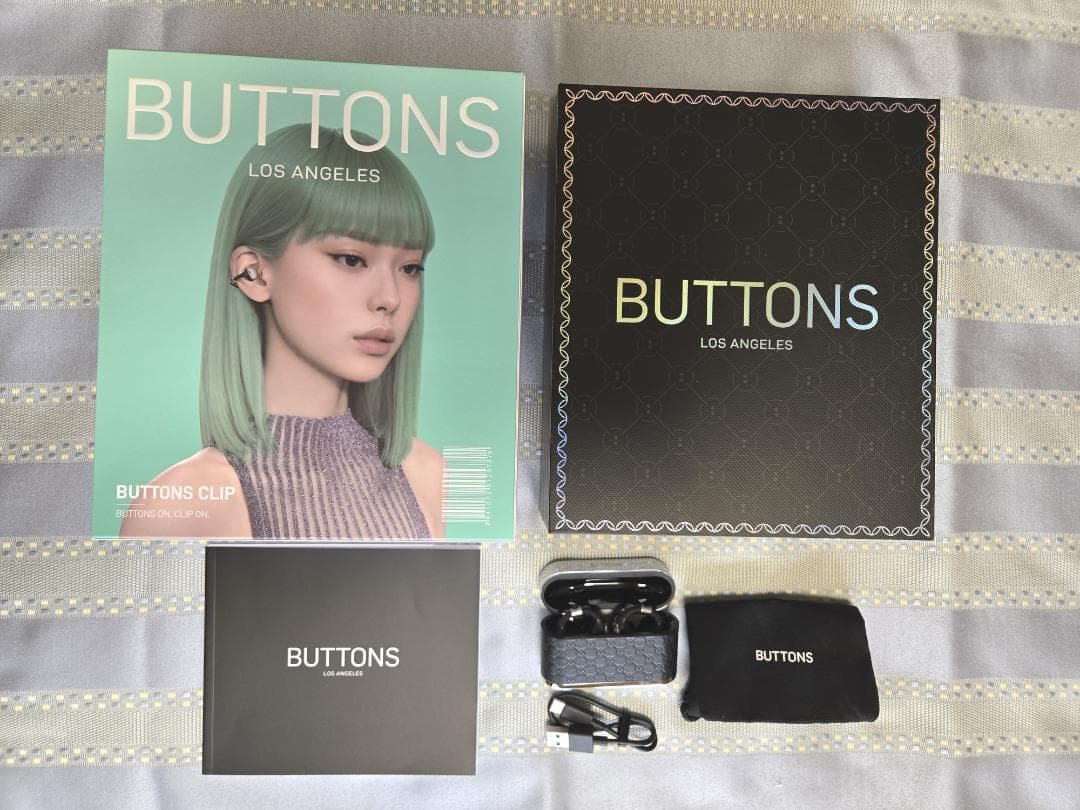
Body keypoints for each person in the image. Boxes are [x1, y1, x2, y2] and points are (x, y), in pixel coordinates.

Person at [120, 123, 444, 539]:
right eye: (350, 259)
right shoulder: (183, 503)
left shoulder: (429, 475)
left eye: (410, 267)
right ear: (252, 273)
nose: (390, 298)